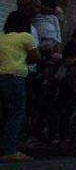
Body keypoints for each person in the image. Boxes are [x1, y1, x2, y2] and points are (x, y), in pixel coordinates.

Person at [1, 11, 40, 162]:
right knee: (16, 114)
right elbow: (36, 57)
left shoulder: (1, 36)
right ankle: (10, 150)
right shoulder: (26, 37)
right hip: (15, 76)